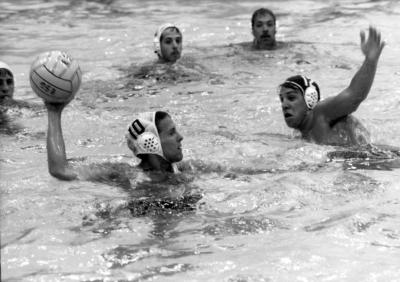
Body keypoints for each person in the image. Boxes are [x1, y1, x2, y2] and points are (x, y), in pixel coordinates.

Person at [278, 26, 385, 146]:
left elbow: (354, 96)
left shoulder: (322, 112)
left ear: (310, 100)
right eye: (282, 99)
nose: (284, 105)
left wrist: (370, 60)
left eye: (291, 98)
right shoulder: (301, 135)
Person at [46, 101, 184, 182]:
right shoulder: (127, 175)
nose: (180, 137)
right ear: (150, 142)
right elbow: (60, 170)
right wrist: (54, 112)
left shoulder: (186, 170)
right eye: (171, 133)